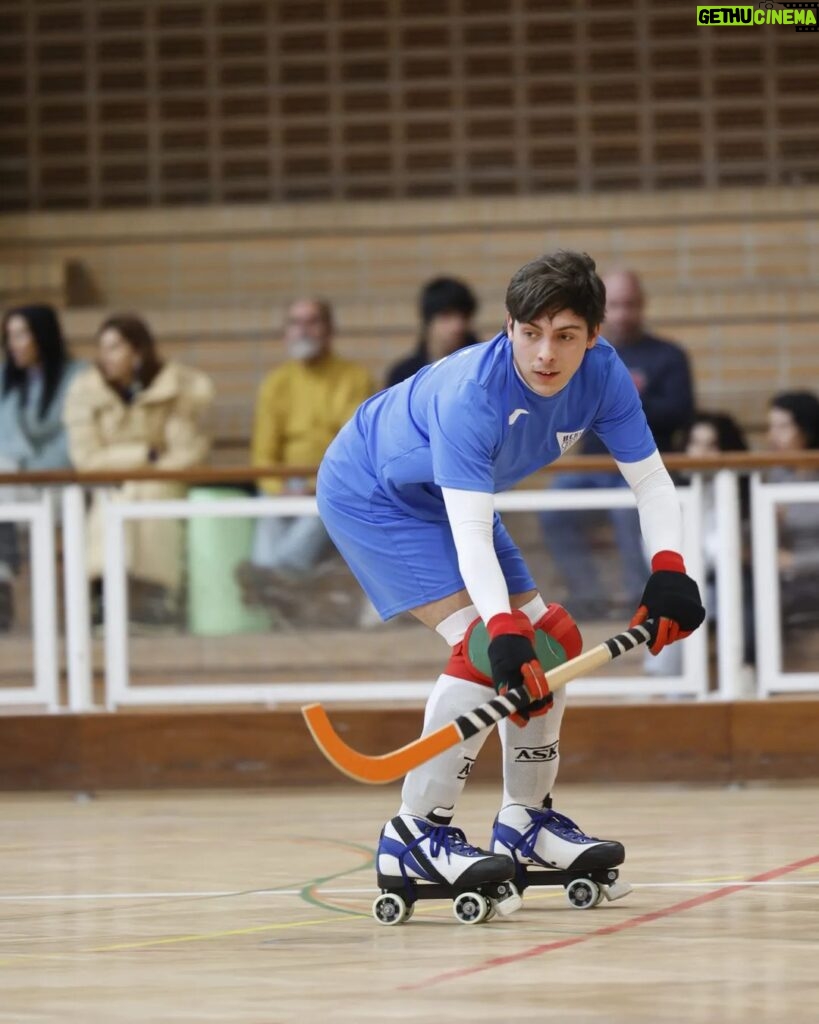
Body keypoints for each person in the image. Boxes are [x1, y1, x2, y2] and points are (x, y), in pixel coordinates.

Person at [316, 250, 705, 915]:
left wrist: (669, 568)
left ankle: (524, 822)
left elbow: (649, 481)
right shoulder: (474, 394)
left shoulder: (606, 377)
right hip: (373, 492)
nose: (544, 354)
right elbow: (469, 532)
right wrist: (499, 633)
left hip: (444, 495)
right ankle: (415, 832)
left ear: (594, 335)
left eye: (565, 336)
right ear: (508, 327)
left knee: (550, 637)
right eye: (529, 333)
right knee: (483, 646)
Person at [539, 270, 695, 618]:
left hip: (642, 467)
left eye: (631, 305)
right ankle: (588, 595)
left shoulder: (668, 356)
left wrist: (612, 404)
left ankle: (641, 601)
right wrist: (626, 405)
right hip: (591, 467)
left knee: (631, 512)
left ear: (643, 306)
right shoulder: (581, 353)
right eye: (616, 305)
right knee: (552, 509)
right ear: (601, 308)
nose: (623, 313)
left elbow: (680, 412)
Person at [64, 314, 214, 626]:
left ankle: (156, 596)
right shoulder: (84, 392)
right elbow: (87, 459)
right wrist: (143, 454)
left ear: (139, 351)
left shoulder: (176, 388)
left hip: (163, 483)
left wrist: (142, 470)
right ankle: (102, 590)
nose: (106, 356)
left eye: (115, 347)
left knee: (148, 493)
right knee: (116, 499)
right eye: (102, 348)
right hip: (108, 483)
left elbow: (185, 453)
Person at [239, 298, 375, 610]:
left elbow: (352, 450)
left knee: (323, 505)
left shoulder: (354, 378)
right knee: (268, 510)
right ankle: (276, 578)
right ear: (285, 333)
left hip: (334, 482)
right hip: (284, 485)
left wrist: (313, 486)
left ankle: (275, 576)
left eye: (312, 322)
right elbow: (263, 456)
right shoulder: (275, 384)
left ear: (329, 330)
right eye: (295, 323)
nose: (303, 331)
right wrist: (281, 490)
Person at [647, 411, 754, 676]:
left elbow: (733, 557)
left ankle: (744, 674)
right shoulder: (666, 490)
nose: (701, 453)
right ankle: (670, 688)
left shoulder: (746, 492)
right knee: (674, 603)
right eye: (696, 443)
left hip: (729, 583)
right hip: (680, 581)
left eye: (712, 445)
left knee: (734, 595)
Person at [0, 305, 85, 631]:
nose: (13, 344)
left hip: (57, 484)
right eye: (9, 336)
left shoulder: (77, 377)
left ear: (42, 335)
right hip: (12, 484)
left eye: (20, 335)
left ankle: (3, 574)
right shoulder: (5, 380)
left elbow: (73, 439)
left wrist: (29, 468)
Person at [766, 390, 819, 630]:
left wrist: (795, 561)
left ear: (806, 429)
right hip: (781, 582)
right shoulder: (774, 476)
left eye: (783, 427)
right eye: (771, 427)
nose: (772, 436)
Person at [385, 277, 479, 388]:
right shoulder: (404, 375)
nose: (457, 326)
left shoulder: (483, 367)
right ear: (428, 322)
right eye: (447, 316)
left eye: (464, 317)